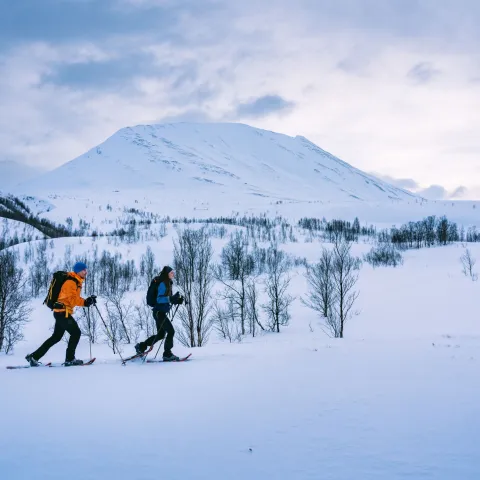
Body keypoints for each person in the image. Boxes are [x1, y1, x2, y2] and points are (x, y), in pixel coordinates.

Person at [25, 262, 97, 366]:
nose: (86, 272)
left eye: (86, 269)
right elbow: (70, 299)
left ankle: (34, 357)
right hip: (63, 313)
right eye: (83, 270)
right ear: (78, 271)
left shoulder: (76, 281)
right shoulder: (71, 282)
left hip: (61, 313)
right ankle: (70, 359)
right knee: (76, 333)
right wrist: (86, 302)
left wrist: (86, 301)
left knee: (56, 337)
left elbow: (73, 299)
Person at [135, 266, 184, 361]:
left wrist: (176, 300)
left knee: (161, 334)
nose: (173, 274)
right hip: (159, 313)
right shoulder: (163, 283)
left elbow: (166, 300)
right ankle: (167, 354)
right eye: (171, 272)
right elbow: (159, 299)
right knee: (171, 331)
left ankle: (141, 347)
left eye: (173, 272)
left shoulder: (168, 283)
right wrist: (171, 298)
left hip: (159, 312)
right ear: (167, 274)